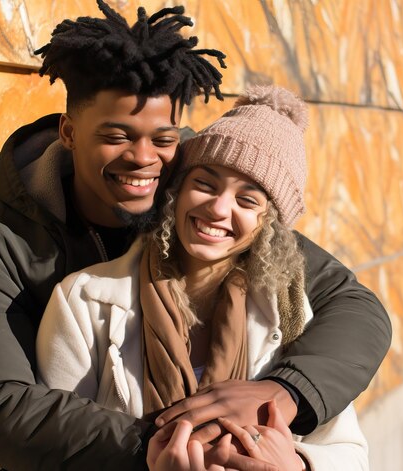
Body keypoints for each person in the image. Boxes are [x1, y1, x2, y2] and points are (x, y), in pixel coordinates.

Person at [0, 1, 390, 469]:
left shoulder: (197, 188)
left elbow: (354, 306)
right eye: (117, 135)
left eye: (163, 139)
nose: (143, 158)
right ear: (69, 132)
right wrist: (178, 442)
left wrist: (284, 394)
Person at [37, 84, 369, 471]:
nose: (218, 208)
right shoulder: (84, 301)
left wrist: (297, 465)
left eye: (247, 200)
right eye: (205, 184)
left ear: (268, 226)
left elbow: (351, 453)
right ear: (177, 191)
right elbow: (54, 450)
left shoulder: (291, 314)